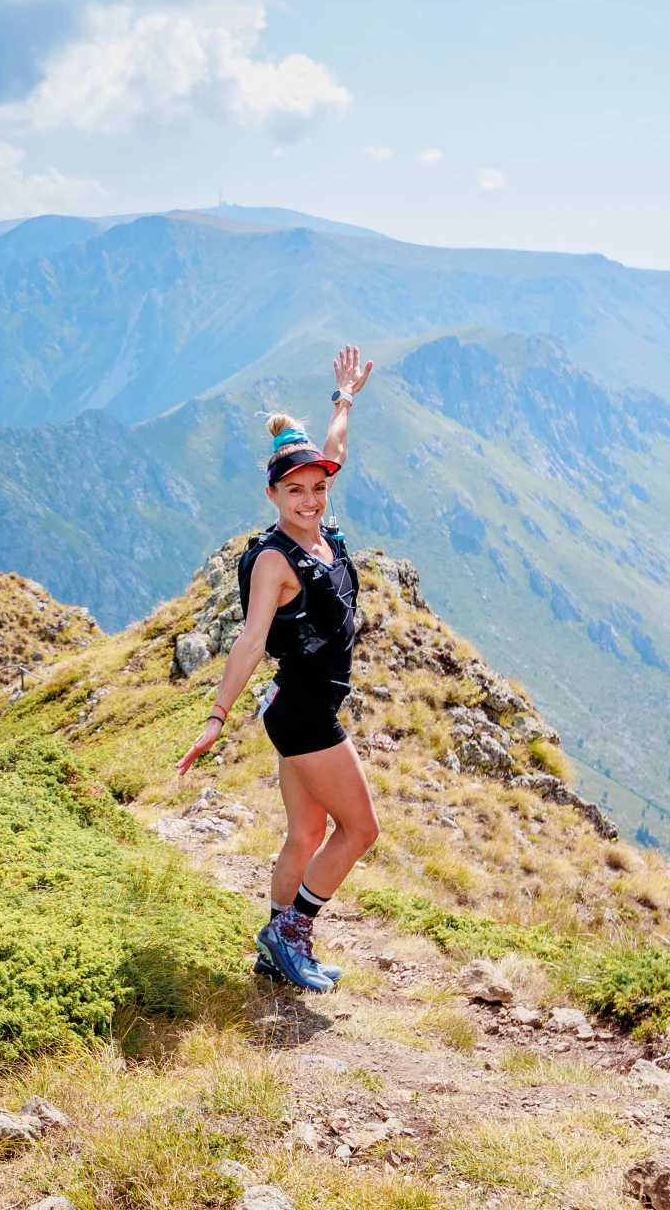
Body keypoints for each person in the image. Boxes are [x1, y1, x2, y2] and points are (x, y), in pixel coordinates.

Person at [176, 346, 383, 992]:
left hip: (295, 702)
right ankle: (288, 933)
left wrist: (344, 397)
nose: (311, 500)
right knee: (360, 829)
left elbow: (334, 449)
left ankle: (276, 959)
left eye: (319, 487)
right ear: (272, 494)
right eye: (295, 491)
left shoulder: (321, 523)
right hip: (305, 715)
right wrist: (215, 717)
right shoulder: (274, 560)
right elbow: (248, 642)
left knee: (306, 833)